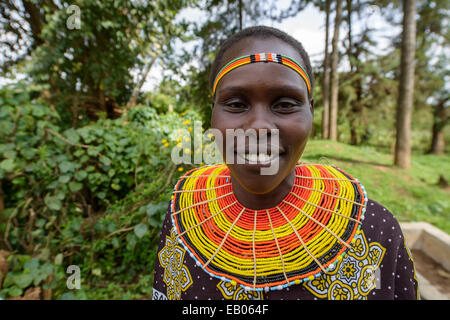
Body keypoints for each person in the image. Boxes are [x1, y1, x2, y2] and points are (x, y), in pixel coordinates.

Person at [152, 26, 419, 300]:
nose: (258, 127)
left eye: (285, 104)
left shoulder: (375, 231)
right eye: (235, 104)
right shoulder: (183, 214)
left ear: (310, 112)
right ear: (213, 114)